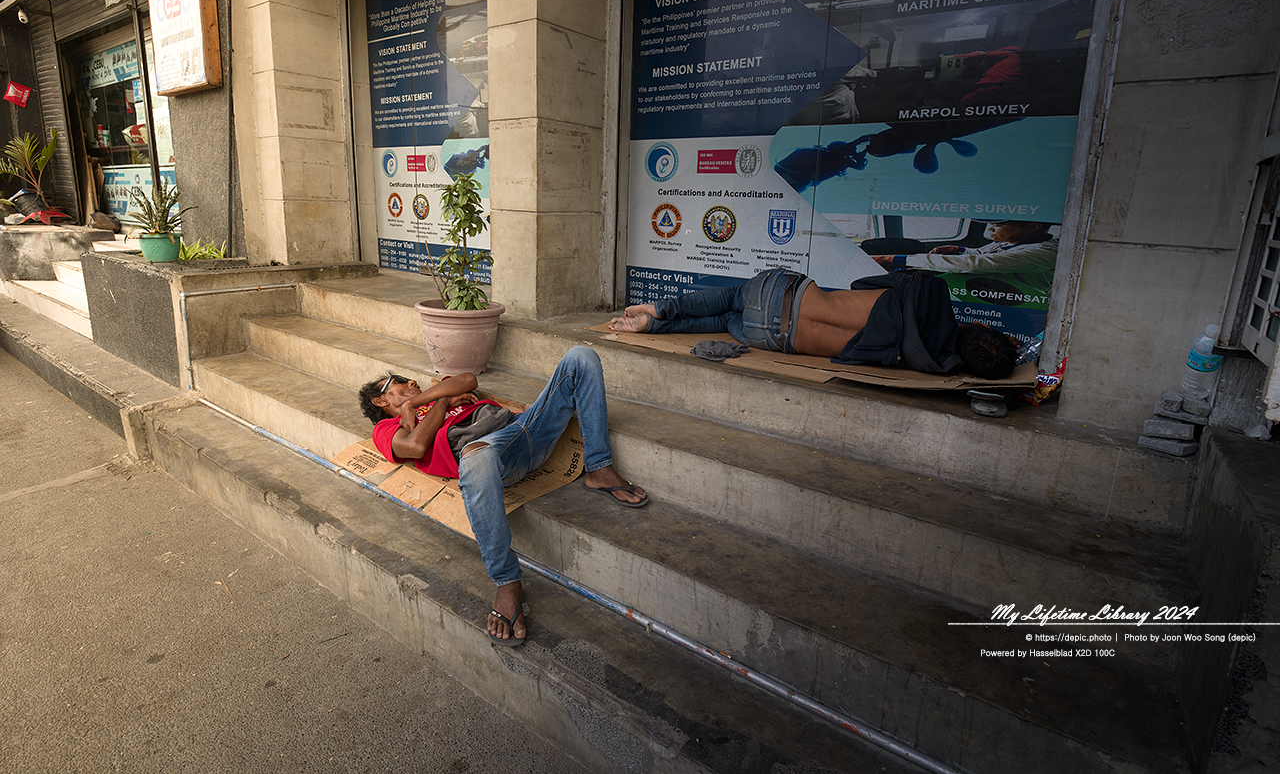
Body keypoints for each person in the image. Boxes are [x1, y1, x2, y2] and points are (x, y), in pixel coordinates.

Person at [358, 346, 647, 646]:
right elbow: (416, 446)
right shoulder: (387, 428)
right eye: (398, 382)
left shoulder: (430, 396)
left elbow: (468, 379)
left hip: (523, 427)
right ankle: (507, 581)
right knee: (475, 457)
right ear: (380, 400)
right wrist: (441, 403)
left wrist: (420, 401)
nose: (411, 381)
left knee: (580, 357)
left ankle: (598, 467)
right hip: (491, 456)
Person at [609, 268, 1019, 379]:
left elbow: (863, 284)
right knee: (724, 320)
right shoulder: (921, 361)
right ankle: (654, 328)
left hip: (783, 293)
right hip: (773, 338)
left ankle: (658, 309)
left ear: (978, 328)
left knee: (733, 298)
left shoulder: (926, 293)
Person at [870, 220, 1059, 297]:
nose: (990, 229)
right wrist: (959, 249)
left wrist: (894, 259)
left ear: (1033, 227)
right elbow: (982, 254)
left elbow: (977, 264)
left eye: (998, 224)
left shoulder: (1041, 253)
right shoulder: (1012, 241)